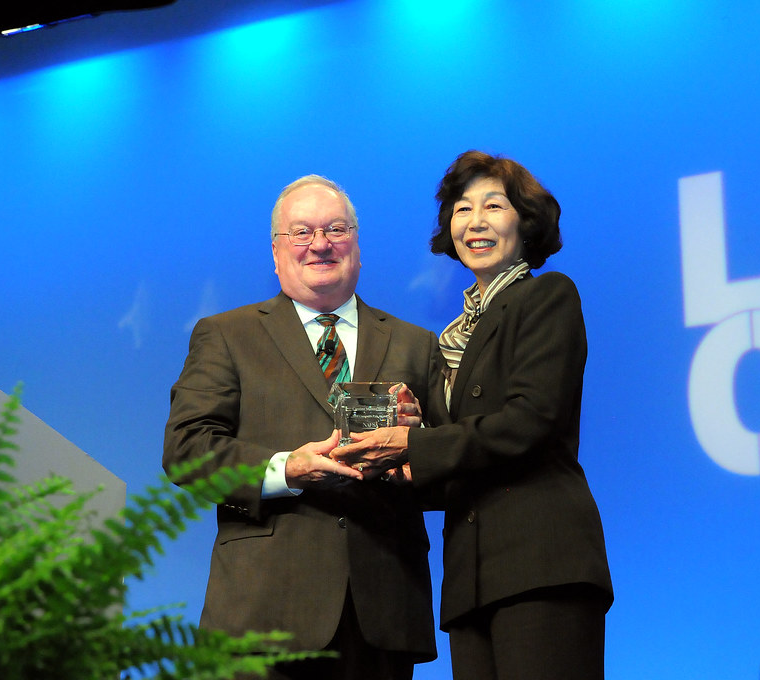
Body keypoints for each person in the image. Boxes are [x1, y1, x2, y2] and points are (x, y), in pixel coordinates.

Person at [333, 151, 614, 680]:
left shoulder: (547, 295)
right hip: (470, 577)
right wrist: (408, 448)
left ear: (525, 221)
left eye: (494, 205)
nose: (476, 222)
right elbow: (457, 461)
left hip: (542, 563)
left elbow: (530, 420)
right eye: (463, 209)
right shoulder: (448, 343)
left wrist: (415, 446)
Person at [162, 175, 438, 680]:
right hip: (260, 611)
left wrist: (414, 449)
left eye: (335, 228)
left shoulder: (416, 344)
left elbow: (452, 463)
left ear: (357, 245)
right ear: (276, 250)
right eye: (301, 232)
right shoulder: (227, 335)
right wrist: (287, 469)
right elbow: (187, 449)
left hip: (381, 613)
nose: (320, 243)